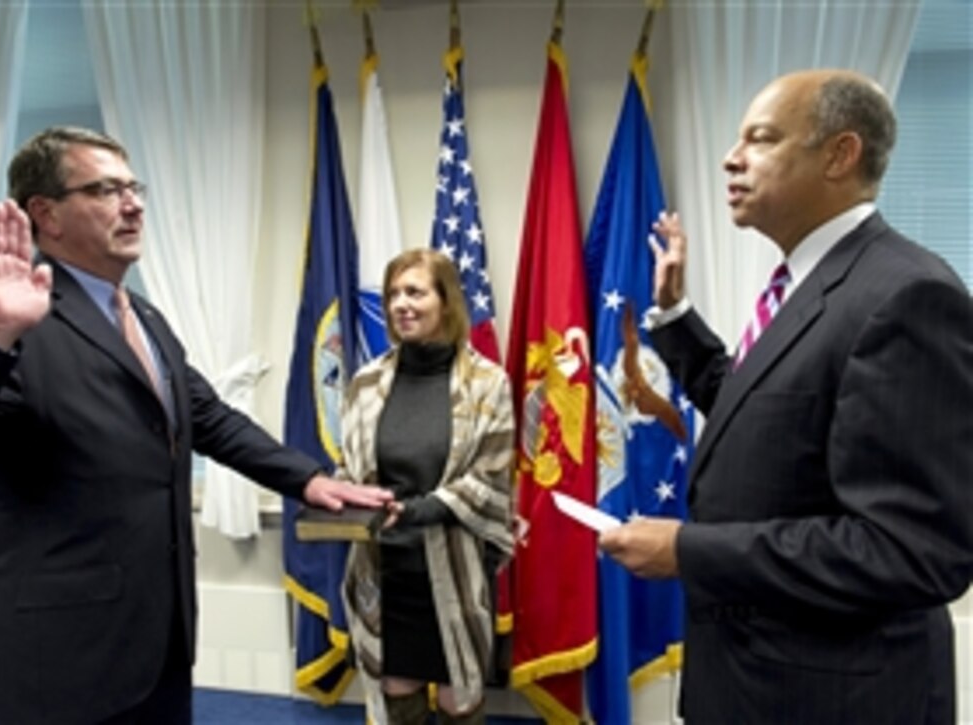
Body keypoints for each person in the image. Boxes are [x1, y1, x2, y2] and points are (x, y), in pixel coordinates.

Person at [0, 126, 392, 724]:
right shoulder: (4, 321)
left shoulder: (145, 316)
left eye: (134, 187)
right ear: (45, 214)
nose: (133, 204)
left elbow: (206, 416)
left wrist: (307, 480)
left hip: (159, 649)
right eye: (105, 190)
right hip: (54, 668)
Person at [599, 70, 973, 723]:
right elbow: (762, 418)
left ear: (840, 154)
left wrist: (690, 550)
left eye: (762, 138)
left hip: (832, 701)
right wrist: (674, 313)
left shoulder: (906, 295)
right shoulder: (810, 283)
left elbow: (911, 549)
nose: (730, 158)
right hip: (750, 685)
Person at [340, 249, 514, 725]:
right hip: (386, 570)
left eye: (414, 291)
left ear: (446, 301)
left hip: (455, 570)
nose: (401, 304)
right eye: (393, 293)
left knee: (460, 699)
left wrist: (415, 510)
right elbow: (350, 466)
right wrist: (335, 495)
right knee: (398, 692)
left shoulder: (486, 382)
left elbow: (491, 478)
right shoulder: (365, 382)